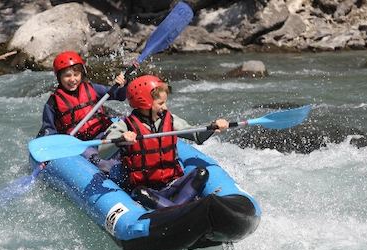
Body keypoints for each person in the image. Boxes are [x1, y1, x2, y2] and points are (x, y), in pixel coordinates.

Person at [98, 75, 229, 209]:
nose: (165, 107)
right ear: (144, 103)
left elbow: (196, 134)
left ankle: (175, 209)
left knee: (201, 173)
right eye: (161, 103)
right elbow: (103, 153)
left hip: (172, 183)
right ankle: (179, 211)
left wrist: (213, 127)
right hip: (147, 191)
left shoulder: (170, 119)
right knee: (140, 193)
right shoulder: (124, 125)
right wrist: (122, 140)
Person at [37, 50, 127, 171]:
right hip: (79, 144)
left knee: (124, 149)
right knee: (101, 163)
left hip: (102, 134)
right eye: (67, 75)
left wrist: (123, 85)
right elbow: (48, 130)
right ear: (59, 77)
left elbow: (120, 96)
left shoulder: (92, 88)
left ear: (81, 74)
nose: (73, 79)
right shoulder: (53, 103)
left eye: (76, 75)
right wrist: (47, 154)